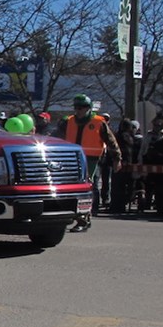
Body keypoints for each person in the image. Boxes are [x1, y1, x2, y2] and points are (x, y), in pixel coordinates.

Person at [58, 94, 121, 231]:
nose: (79, 110)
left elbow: (111, 141)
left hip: (91, 160)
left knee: (85, 188)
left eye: (82, 107)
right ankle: (68, 217)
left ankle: (83, 220)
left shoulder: (99, 122)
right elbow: (55, 138)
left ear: (89, 108)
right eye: (77, 107)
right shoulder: (68, 121)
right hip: (71, 159)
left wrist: (117, 159)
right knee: (69, 189)